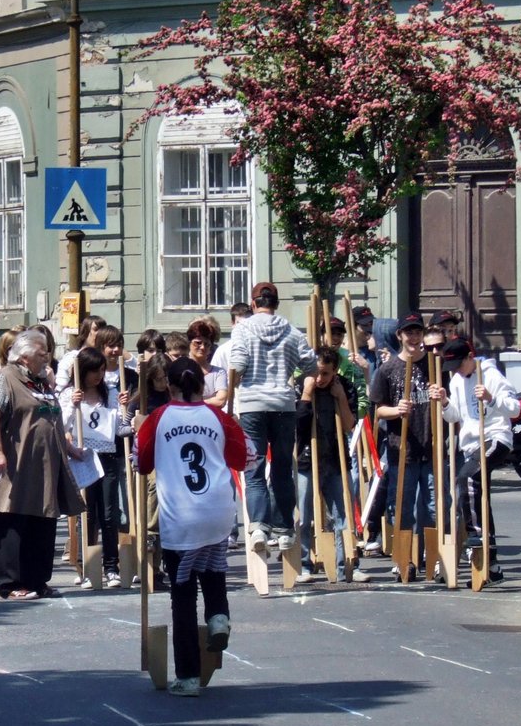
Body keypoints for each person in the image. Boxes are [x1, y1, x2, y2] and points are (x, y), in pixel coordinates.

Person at [135, 357, 250, 697]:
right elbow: (244, 458)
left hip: (179, 516)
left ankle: (187, 676)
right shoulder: (218, 416)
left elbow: (141, 463)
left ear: (169, 386)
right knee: (214, 571)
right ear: (203, 385)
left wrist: (141, 429)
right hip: (217, 510)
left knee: (183, 597)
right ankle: (218, 616)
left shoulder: (158, 418)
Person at [0, 329, 87, 599]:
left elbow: (50, 419)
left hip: (44, 467)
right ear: (24, 357)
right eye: (41, 354)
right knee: (13, 520)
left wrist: (70, 448)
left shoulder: (40, 382)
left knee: (43, 521)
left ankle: (37, 580)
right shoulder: (4, 379)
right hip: (16, 465)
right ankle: (12, 583)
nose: (47, 358)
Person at [227, 281, 316, 551]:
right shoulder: (291, 331)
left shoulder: (242, 329)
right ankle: (285, 529)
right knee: (281, 468)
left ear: (253, 304)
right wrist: (291, 373)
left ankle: (258, 527)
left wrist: (237, 383)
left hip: (252, 404)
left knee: (254, 468)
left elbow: (238, 365)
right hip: (283, 404)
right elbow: (311, 364)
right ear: (276, 304)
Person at [435, 337, 519, 580]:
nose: (457, 371)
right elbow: (454, 417)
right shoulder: (457, 381)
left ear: (471, 357)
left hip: (495, 438)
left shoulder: (491, 375)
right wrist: (444, 402)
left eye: (459, 365)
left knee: (468, 478)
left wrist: (492, 398)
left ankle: (475, 534)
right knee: (478, 496)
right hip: (471, 444)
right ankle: (491, 565)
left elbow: (514, 408)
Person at [369, 313, 436, 576]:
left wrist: (441, 396)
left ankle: (432, 559)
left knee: (433, 507)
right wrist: (397, 410)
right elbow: (378, 411)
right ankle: (403, 559)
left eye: (418, 332)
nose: (414, 337)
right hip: (402, 450)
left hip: (431, 447)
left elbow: (450, 402)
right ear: (399, 336)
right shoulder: (387, 370)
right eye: (409, 333)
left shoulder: (434, 365)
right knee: (402, 508)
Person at [294, 347, 368, 583]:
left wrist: (341, 398)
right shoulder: (300, 384)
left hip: (336, 459)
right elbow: (297, 426)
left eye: (325, 373)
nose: (319, 378)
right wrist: (307, 393)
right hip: (306, 459)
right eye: (316, 372)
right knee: (304, 516)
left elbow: (349, 425)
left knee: (342, 515)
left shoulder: (343, 386)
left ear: (335, 371)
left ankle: (347, 563)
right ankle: (304, 565)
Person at [71, 346, 124, 588]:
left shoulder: (109, 393)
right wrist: (72, 405)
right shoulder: (72, 394)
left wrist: (124, 409)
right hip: (83, 458)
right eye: (94, 371)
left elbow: (120, 428)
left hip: (107, 457)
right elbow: (63, 425)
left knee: (109, 514)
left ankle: (111, 566)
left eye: (102, 370)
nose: (98, 375)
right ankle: (87, 566)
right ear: (83, 371)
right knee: (87, 514)